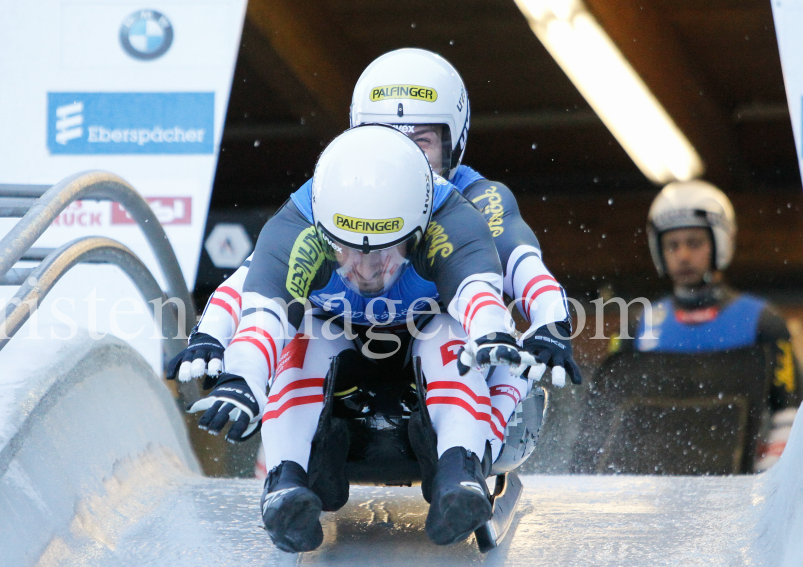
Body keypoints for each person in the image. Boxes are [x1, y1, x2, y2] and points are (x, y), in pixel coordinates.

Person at [169, 49, 580, 460]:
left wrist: (550, 322)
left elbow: (523, 263)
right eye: (384, 133)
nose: (400, 155)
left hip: (439, 346)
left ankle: (471, 450)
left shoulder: (475, 202)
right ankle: (294, 464)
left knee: (479, 339)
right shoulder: (325, 197)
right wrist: (216, 340)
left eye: (421, 141)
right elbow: (260, 275)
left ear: (454, 142)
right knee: (305, 336)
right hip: (341, 349)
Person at [186, 124, 538, 552]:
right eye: (347, 249)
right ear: (323, 230)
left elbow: (478, 292)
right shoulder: (295, 229)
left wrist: (494, 332)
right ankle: (289, 478)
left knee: (451, 332)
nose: (367, 271)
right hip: (339, 357)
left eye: (385, 252)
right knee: (305, 334)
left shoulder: (455, 218)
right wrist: (244, 377)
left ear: (419, 229)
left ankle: (457, 468)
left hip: (424, 353)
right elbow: (264, 309)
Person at [614, 179, 801, 470]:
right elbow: (613, 417)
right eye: (672, 245)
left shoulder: (764, 323)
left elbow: (789, 414)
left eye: (695, 243)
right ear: (658, 251)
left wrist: (764, 484)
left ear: (720, 242)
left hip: (741, 491)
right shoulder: (637, 325)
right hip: (654, 490)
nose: (683, 255)